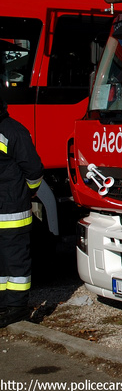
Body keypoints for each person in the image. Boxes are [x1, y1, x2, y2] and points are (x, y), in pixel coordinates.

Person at [0, 95, 43, 327]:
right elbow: (34, 171)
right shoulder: (14, 131)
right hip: (13, 210)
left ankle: (10, 306)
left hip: (9, 210)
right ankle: (15, 307)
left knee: (7, 263)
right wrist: (29, 191)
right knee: (15, 261)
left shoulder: (11, 131)